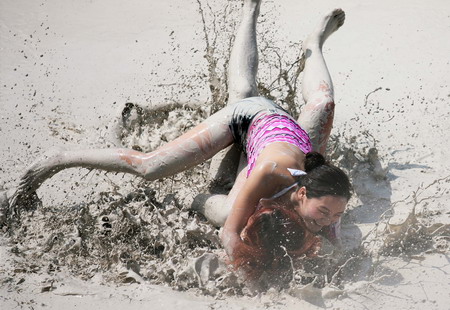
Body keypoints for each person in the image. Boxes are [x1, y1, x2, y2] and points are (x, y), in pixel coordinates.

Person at [9, 0, 351, 280]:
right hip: (250, 119)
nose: (325, 221)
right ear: (302, 193)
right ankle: (59, 158)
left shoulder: (324, 206)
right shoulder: (270, 173)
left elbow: (331, 241)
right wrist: (247, 270)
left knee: (317, 103)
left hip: (291, 139)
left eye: (334, 216)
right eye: (322, 213)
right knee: (153, 166)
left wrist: (327, 247)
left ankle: (311, 42)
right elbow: (229, 233)